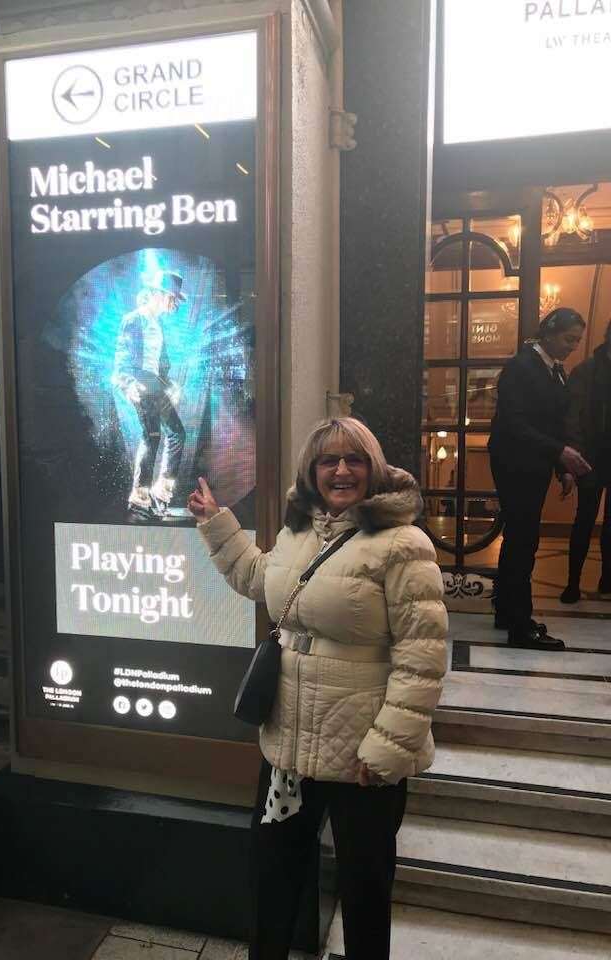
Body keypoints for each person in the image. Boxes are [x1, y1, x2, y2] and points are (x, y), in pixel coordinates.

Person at [188, 417, 447, 960]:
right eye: (329, 460)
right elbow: (261, 579)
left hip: (363, 757)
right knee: (273, 880)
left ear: (373, 468)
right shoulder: (299, 530)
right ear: (312, 471)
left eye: (354, 459)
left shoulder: (403, 543)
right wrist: (217, 524)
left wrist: (387, 748)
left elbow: (421, 659)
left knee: (364, 893)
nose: (342, 470)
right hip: (290, 744)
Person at [488, 308, 590, 651]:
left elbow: (552, 422)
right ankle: (520, 626)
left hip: (533, 463)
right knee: (523, 541)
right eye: (568, 339)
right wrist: (560, 453)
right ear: (548, 332)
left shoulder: (552, 369)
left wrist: (561, 467)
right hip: (514, 463)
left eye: (577, 341)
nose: (572, 347)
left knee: (518, 537)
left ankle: (505, 610)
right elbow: (514, 423)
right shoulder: (522, 367)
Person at [112, 270, 187, 521]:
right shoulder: (134, 320)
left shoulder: (158, 324)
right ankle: (141, 495)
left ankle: (160, 489)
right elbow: (122, 360)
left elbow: (160, 365)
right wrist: (128, 383)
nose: (174, 304)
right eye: (172, 298)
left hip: (155, 383)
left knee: (175, 432)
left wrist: (171, 385)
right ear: (157, 294)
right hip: (141, 383)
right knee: (152, 435)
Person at [561, 319, 611, 603]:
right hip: (591, 457)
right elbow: (573, 418)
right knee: (584, 520)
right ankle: (572, 583)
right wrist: (574, 456)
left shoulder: (586, 370)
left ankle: (607, 580)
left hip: (600, 454)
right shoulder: (586, 372)